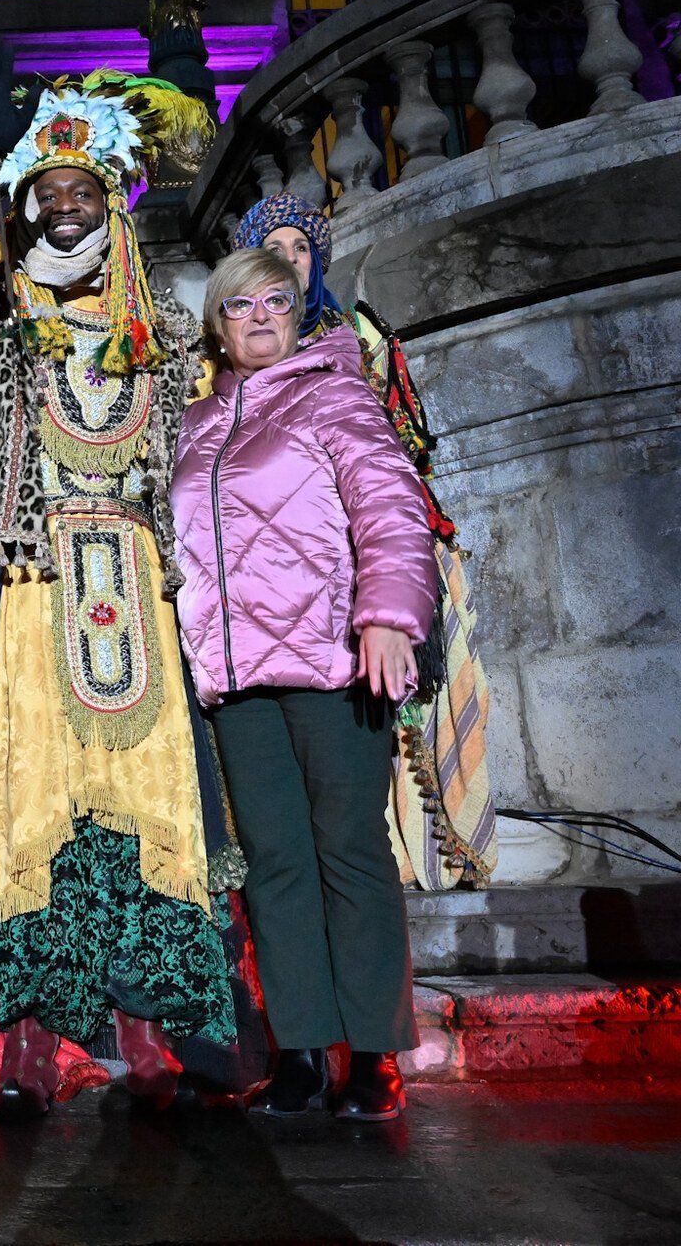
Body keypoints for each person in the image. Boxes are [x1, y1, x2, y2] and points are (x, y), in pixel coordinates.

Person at [0, 56, 235, 1115]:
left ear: (113, 207)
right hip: (34, 576)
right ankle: (42, 1027)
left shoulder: (166, 334)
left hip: (142, 574)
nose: (59, 212)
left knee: (151, 800)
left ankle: (152, 1019)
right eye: (42, 199)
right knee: (37, 800)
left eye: (79, 196)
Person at [173, 247, 437, 1122]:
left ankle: (372, 1055)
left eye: (275, 302)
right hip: (240, 678)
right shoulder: (196, 423)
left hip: (333, 660)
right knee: (277, 862)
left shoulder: (334, 391)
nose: (258, 318)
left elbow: (389, 503)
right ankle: (301, 1051)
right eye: (239, 305)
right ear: (218, 323)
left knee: (349, 851)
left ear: (297, 312)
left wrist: (389, 615)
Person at [233, 193, 498, 891]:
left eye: (300, 248)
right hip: (294, 586)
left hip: (382, 557)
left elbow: (394, 460)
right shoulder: (233, 359)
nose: (289, 260)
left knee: (406, 717)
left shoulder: (358, 337)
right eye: (275, 249)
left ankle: (433, 861)